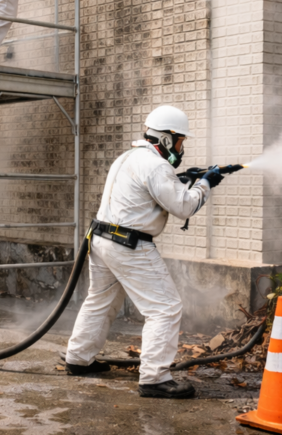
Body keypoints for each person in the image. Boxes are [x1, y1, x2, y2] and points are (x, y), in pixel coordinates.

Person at [64, 105, 224, 398]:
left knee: (100, 301)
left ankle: (78, 359)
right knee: (165, 308)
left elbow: (148, 192)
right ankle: (154, 378)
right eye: (180, 141)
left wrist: (183, 180)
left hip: (102, 239)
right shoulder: (156, 166)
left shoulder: (128, 158)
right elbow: (183, 206)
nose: (181, 148)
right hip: (128, 245)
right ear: (166, 139)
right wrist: (205, 184)